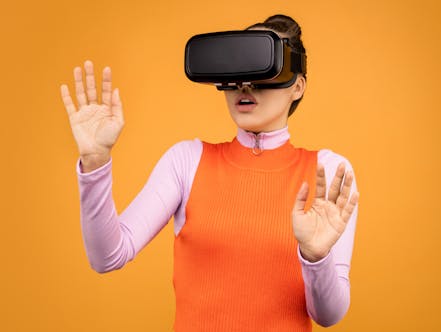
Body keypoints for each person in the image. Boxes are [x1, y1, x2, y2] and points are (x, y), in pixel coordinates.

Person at [60, 14, 359, 332]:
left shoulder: (327, 172)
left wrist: (316, 257)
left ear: (297, 87)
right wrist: (95, 163)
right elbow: (107, 256)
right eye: (238, 70)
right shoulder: (186, 161)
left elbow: (329, 316)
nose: (245, 85)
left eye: (261, 69)